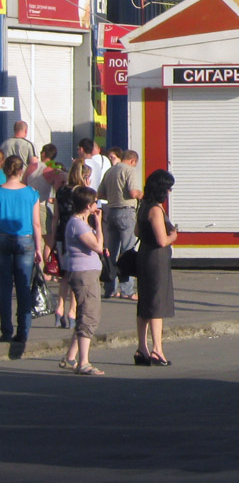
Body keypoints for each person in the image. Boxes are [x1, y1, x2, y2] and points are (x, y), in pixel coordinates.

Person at [0, 155, 43, 354]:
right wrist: (39, 248)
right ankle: (23, 331)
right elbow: (36, 223)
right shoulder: (31, 193)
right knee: (24, 286)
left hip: (2, 239)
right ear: (20, 171)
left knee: (4, 287)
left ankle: (6, 330)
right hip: (25, 240)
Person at [135, 169, 178, 367]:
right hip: (156, 258)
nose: (169, 192)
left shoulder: (143, 207)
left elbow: (137, 231)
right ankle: (157, 349)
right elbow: (162, 240)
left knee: (144, 303)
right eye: (168, 188)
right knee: (156, 304)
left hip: (143, 254)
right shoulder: (156, 210)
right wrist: (174, 236)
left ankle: (142, 348)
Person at [61, 186, 106, 375]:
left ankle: (71, 357)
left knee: (83, 315)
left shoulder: (79, 222)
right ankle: (84, 362)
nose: (96, 205)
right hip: (84, 274)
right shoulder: (78, 224)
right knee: (90, 316)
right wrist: (99, 224)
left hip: (86, 272)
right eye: (95, 202)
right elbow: (97, 245)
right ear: (88, 205)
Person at [49, 160, 93, 331]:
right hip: (77, 237)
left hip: (61, 235)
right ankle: (72, 312)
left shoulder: (61, 191)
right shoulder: (82, 193)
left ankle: (59, 308)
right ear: (84, 176)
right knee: (76, 276)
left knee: (65, 275)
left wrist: (53, 238)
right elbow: (86, 217)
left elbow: (55, 217)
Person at [97, 149, 143, 300]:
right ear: (132, 161)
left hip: (111, 211)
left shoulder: (110, 171)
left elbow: (101, 193)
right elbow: (133, 192)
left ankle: (110, 288)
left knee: (112, 251)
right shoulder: (129, 171)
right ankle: (127, 290)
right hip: (126, 211)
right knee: (128, 249)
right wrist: (143, 194)